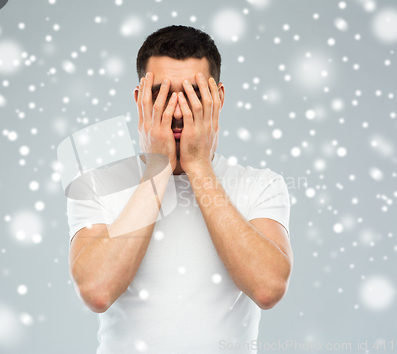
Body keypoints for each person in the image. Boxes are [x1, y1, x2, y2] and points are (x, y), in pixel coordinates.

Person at [66, 25, 293, 353]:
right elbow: (97, 291)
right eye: (160, 94)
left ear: (219, 98)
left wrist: (199, 167)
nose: (176, 112)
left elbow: (268, 288)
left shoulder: (261, 184)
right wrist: (157, 170)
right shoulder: (95, 185)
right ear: (139, 98)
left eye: (192, 95)